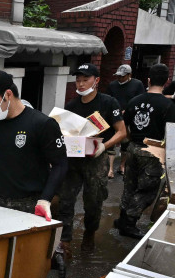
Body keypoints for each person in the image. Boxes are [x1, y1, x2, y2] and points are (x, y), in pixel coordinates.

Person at [0, 70, 67, 223]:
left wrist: (46, 199)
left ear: (8, 95)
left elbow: (60, 164)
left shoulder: (42, 124)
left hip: (31, 204)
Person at [53, 63, 128, 250]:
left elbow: (121, 132)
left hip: (96, 159)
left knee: (94, 201)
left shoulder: (108, 102)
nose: (81, 84)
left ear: (96, 81)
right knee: (66, 199)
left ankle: (89, 232)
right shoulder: (72, 105)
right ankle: (65, 240)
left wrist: (104, 146)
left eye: (85, 80)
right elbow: (64, 131)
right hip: (74, 158)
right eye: (78, 80)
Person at [116, 63, 175, 238]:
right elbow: (172, 131)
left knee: (130, 185)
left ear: (149, 80)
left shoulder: (134, 101)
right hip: (153, 150)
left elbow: (125, 124)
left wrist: (131, 139)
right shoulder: (167, 105)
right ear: (167, 81)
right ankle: (128, 222)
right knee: (147, 189)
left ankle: (122, 217)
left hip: (133, 147)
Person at [107, 64, 145, 179]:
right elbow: (107, 100)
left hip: (128, 118)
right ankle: (110, 168)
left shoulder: (137, 84)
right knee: (111, 142)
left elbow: (140, 101)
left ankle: (122, 165)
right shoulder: (112, 85)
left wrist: (128, 110)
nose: (120, 78)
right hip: (113, 117)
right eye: (118, 76)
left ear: (129, 75)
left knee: (125, 143)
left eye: (122, 76)